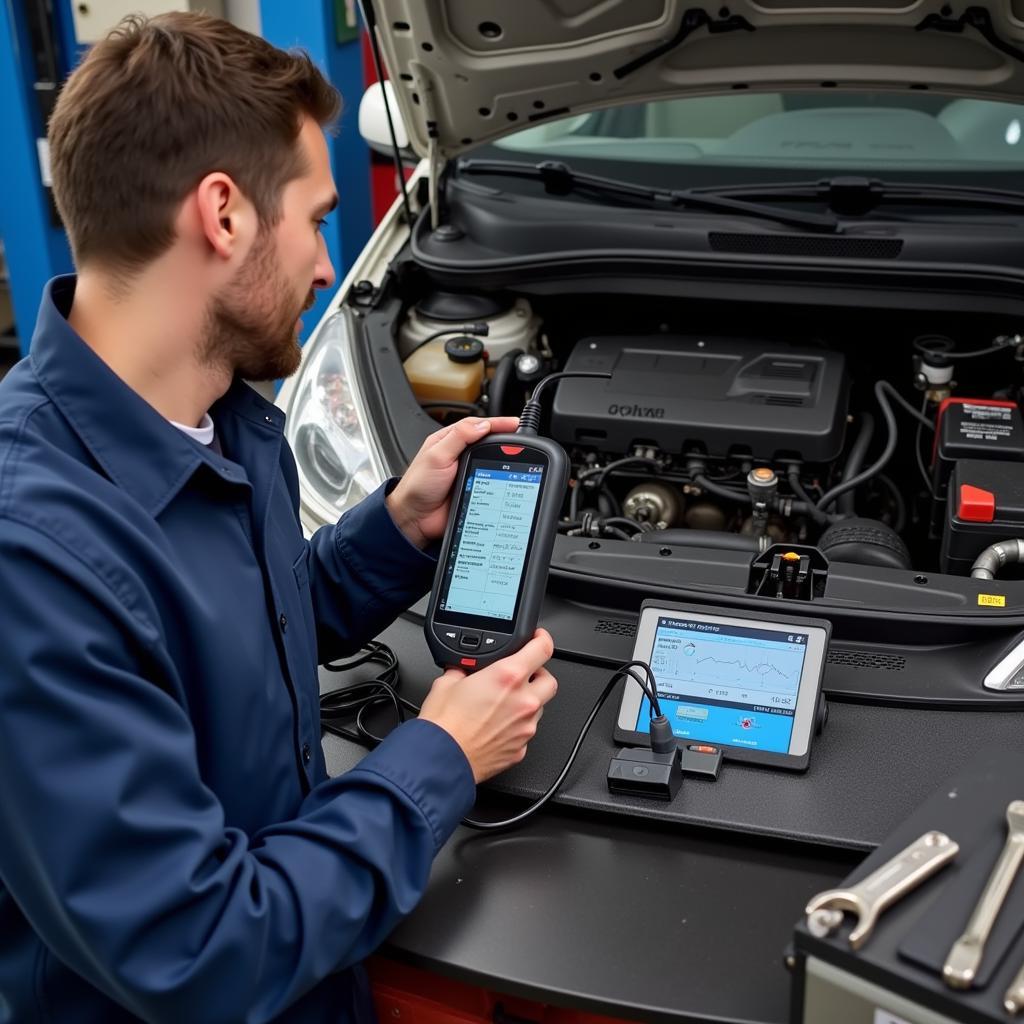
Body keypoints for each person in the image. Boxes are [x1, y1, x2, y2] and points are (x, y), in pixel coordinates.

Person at [0, 13, 558, 1023]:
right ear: (223, 214)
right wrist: (439, 757)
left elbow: (231, 640)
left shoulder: (211, 421)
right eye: (315, 217)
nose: (321, 263)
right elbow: (198, 947)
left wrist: (395, 529)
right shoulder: (31, 560)